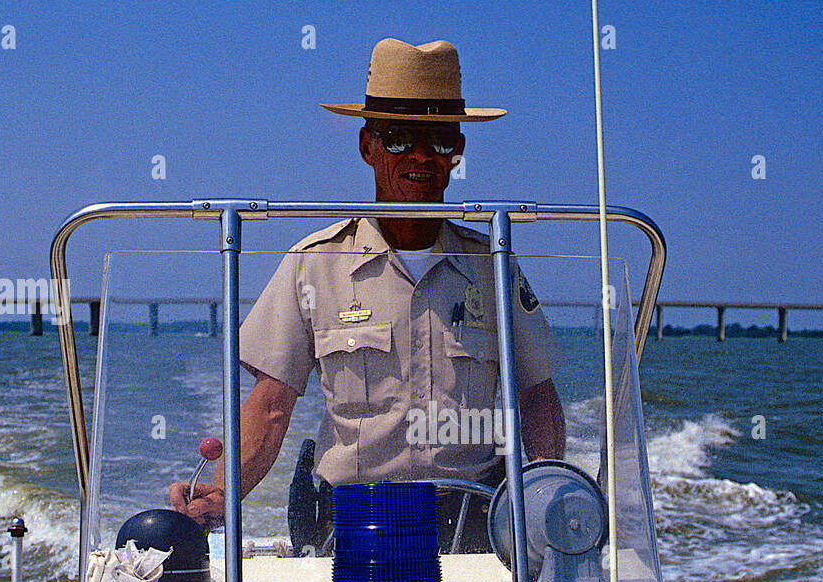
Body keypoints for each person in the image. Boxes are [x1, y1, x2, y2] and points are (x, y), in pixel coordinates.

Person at [171, 38, 565, 550]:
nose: (422, 156)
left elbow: (536, 396)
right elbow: (270, 406)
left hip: (476, 526)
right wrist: (219, 496)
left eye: (441, 140)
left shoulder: (494, 266)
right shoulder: (314, 263)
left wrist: (554, 499)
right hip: (354, 526)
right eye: (400, 138)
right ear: (368, 146)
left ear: (457, 154)